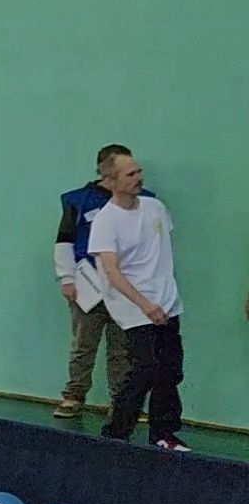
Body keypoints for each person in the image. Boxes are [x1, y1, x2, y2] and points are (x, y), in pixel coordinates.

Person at [88, 151, 189, 451]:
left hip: (167, 303)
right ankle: (116, 432)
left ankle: (164, 434)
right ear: (109, 181)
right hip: (134, 307)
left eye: (138, 171)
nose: (138, 178)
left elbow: (157, 255)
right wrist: (145, 304)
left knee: (170, 369)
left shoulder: (155, 208)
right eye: (130, 174)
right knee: (145, 367)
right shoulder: (106, 221)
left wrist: (164, 298)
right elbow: (112, 271)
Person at [52, 143, 145, 419]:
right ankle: (73, 395)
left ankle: (123, 403)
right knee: (84, 344)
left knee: (122, 349)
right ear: (106, 173)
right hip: (88, 284)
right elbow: (64, 240)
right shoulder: (77, 200)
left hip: (126, 286)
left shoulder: (146, 202)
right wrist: (66, 278)